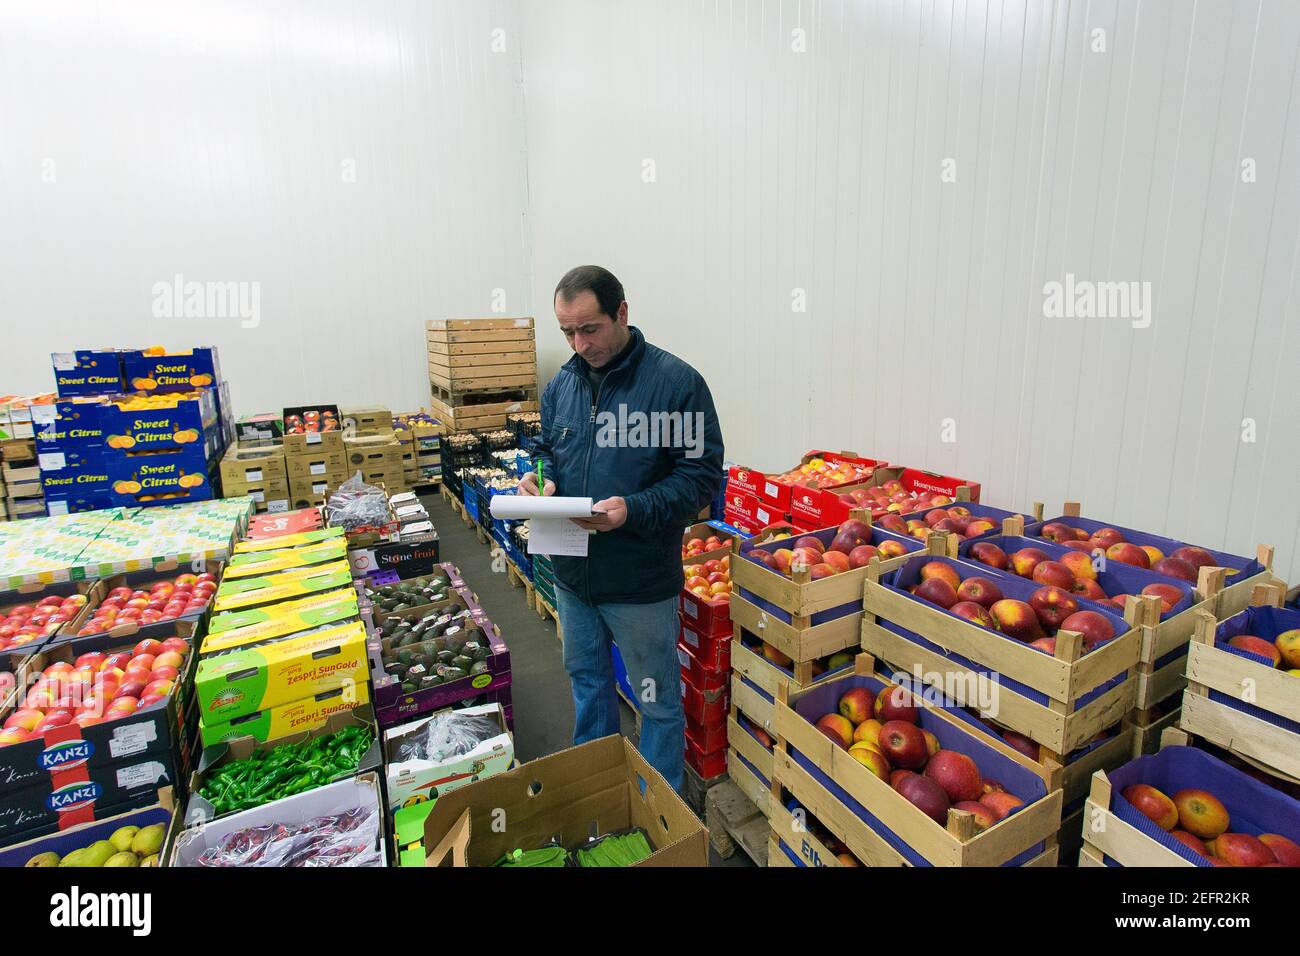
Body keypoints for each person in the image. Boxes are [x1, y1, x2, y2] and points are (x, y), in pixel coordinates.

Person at [521, 265, 724, 791]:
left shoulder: (676, 385)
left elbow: (700, 479)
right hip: (572, 577)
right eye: (567, 331)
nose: (578, 343)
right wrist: (535, 480)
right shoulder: (562, 386)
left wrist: (630, 509)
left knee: (655, 701)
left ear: (623, 314)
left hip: (639, 582)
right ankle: (601, 791)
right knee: (588, 684)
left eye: (590, 328)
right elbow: (545, 452)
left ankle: (658, 813)